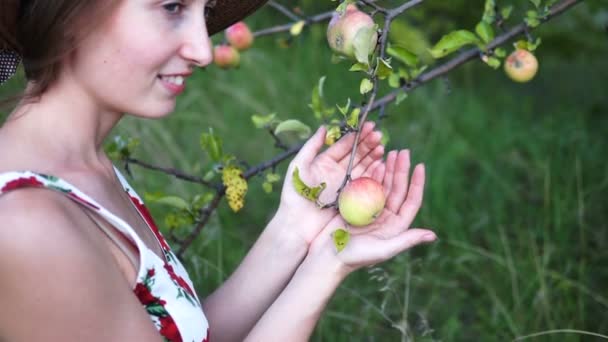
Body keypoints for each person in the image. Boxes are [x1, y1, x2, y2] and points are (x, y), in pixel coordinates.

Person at [0, 0, 437, 341]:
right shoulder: (26, 221)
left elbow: (189, 334)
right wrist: (323, 274)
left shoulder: (79, 171)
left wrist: (297, 232)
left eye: (204, 12)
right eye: (172, 7)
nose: (204, 50)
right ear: (70, 14)